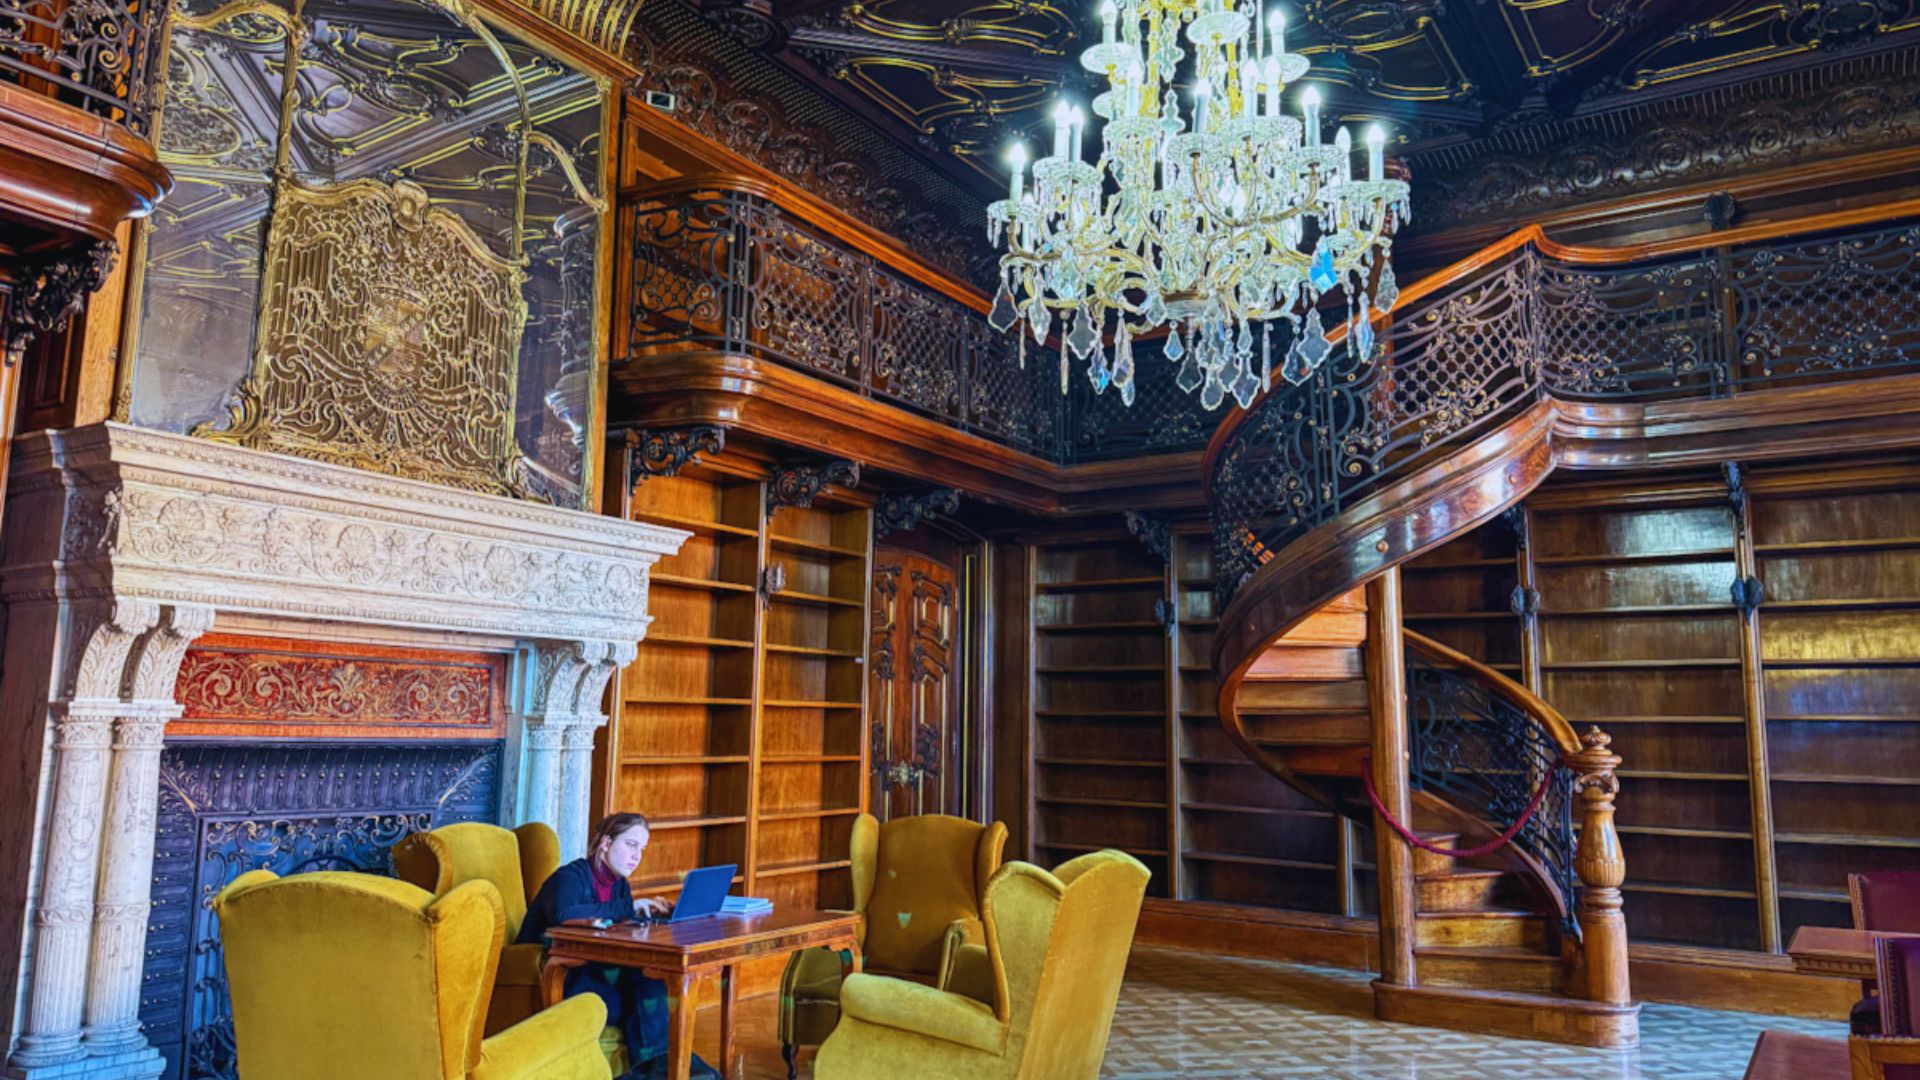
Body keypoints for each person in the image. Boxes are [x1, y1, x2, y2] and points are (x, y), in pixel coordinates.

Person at [517, 812, 719, 1080]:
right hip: (556, 975)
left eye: (642, 849)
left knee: (651, 979)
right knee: (645, 992)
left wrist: (654, 915)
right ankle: (675, 1070)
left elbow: (617, 923)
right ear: (605, 843)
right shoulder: (570, 877)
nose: (637, 856)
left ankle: (672, 1069)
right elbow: (563, 915)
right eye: (631, 845)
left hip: (595, 971)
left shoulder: (620, 885)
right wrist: (630, 908)